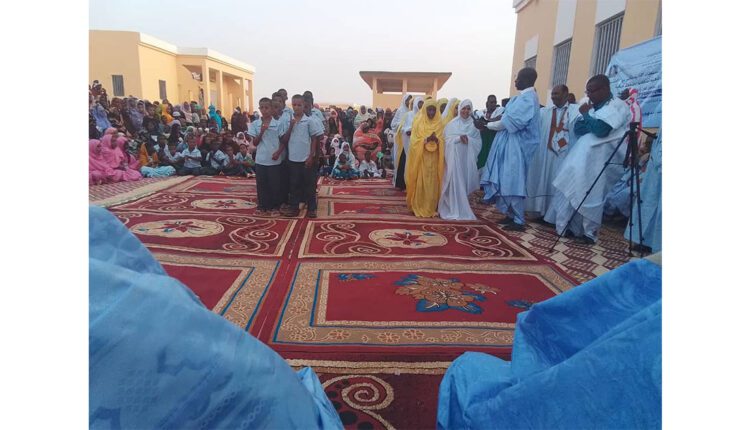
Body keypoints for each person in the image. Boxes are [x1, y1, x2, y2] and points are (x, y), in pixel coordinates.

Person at [543, 74, 631, 244]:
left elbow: (601, 130)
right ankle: (571, 228)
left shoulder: (617, 106)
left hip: (601, 160)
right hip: (582, 157)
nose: (589, 95)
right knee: (572, 188)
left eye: (592, 91)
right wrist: (589, 119)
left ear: (605, 89)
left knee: (592, 195)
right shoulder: (593, 107)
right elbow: (578, 128)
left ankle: (589, 234)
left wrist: (586, 116)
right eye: (587, 91)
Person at [480, 68, 541, 231]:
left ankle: (519, 220)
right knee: (505, 178)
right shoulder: (521, 98)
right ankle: (511, 214)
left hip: (517, 149)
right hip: (510, 146)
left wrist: (487, 125)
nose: (515, 81)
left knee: (513, 181)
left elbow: (507, 123)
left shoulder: (528, 99)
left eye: (518, 78)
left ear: (526, 80)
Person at [525, 84, 580, 219]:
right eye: (552, 94)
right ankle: (540, 211)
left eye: (556, 94)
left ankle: (555, 216)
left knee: (558, 183)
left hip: (564, 155)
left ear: (566, 94)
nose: (553, 96)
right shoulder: (544, 112)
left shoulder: (575, 111)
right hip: (545, 155)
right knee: (543, 181)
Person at [282, 95, 325, 218]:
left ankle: (312, 208)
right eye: (294, 105)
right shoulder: (288, 121)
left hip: (306, 158)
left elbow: (314, 139)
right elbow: (284, 139)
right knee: (294, 184)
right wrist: (291, 126)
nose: (296, 107)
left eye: (299, 105)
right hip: (293, 158)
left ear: (303, 105)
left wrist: (311, 156)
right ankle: (294, 207)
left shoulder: (309, 121)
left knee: (309, 185)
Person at [439, 99, 482, 221]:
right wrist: (458, 139)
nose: (466, 111)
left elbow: (478, 142)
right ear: (459, 109)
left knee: (463, 182)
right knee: (454, 182)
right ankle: (452, 207)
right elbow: (446, 141)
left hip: (466, 159)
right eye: (463, 108)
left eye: (468, 109)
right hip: (454, 159)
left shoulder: (474, 125)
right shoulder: (452, 124)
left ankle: (462, 206)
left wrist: (469, 139)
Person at [248, 97, 289, 216]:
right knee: (262, 184)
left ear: (271, 108)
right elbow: (255, 143)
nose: (264, 110)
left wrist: (278, 152)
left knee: (274, 184)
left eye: (267, 107)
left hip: (274, 160)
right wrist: (261, 131)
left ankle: (274, 207)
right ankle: (262, 206)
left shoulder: (278, 124)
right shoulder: (255, 124)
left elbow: (283, 141)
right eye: (262, 108)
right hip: (261, 159)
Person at [406, 98, 445, 218]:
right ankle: (418, 205)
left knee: (432, 184)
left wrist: (437, 140)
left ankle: (431, 206)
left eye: (433, 110)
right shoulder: (419, 122)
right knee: (420, 182)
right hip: (421, 158)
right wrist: (426, 139)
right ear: (424, 110)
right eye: (429, 110)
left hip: (434, 158)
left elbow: (443, 140)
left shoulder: (440, 123)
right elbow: (413, 141)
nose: (431, 113)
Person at [624, 129, 661, 252]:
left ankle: (653, 244)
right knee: (648, 204)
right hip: (654, 173)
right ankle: (644, 241)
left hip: (659, 169)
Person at [394, 96, 423, 190]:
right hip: (408, 143)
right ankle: (403, 184)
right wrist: (407, 130)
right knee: (405, 161)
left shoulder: (424, 115)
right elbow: (401, 127)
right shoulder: (408, 115)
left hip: (419, 143)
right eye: (419, 103)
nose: (421, 105)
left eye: (422, 103)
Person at [475, 95, 505, 172]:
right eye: (491, 102)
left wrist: (486, 122)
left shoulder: (500, 111)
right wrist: (490, 120)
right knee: (482, 160)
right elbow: (478, 122)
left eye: (495, 102)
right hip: (483, 140)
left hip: (494, 139)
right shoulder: (481, 112)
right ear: (487, 103)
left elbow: (499, 120)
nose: (493, 104)